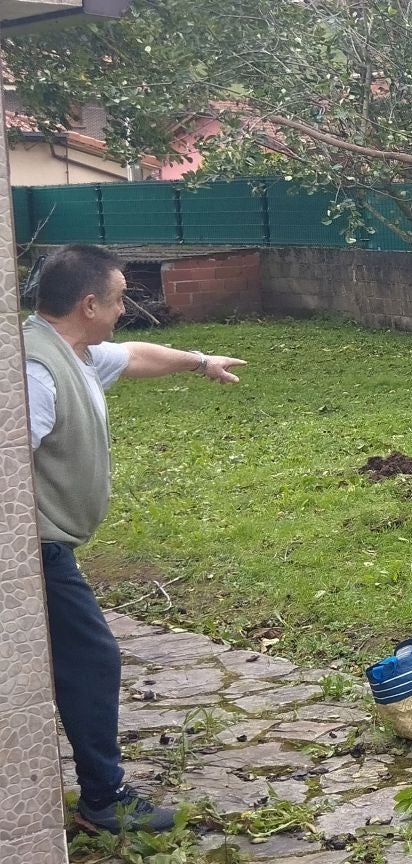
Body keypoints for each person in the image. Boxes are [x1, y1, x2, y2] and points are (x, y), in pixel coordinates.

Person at [23, 244, 246, 833]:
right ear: (90, 303)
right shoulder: (36, 374)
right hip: (33, 551)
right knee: (93, 658)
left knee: (69, 661)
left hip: (49, 546)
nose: (126, 310)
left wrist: (199, 362)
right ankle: (103, 797)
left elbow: (137, 356)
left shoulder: (72, 352)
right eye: (120, 299)